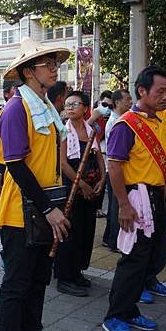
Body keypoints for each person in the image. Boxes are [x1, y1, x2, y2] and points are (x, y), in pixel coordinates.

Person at [0, 38, 70, 331]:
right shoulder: (16, 108)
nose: (54, 69)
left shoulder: (47, 108)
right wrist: (49, 209)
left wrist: (53, 206)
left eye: (56, 63)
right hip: (19, 212)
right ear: (29, 72)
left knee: (39, 281)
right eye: (47, 64)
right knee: (16, 285)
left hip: (44, 206)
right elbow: (15, 165)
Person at [102, 66, 166, 331]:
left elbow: (148, 161)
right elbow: (115, 167)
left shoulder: (158, 121)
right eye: (160, 91)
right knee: (133, 259)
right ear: (142, 91)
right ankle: (114, 316)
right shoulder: (127, 124)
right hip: (136, 199)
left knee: (145, 258)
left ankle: (129, 309)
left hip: (156, 196)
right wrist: (123, 205)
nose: (165, 96)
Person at [55, 91, 105, 297]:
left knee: (86, 230)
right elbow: (63, 163)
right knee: (71, 231)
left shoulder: (91, 130)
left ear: (85, 108)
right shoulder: (63, 131)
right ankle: (64, 277)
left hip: (92, 186)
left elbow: (99, 156)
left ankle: (77, 272)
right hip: (72, 187)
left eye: (74, 104)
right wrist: (81, 184)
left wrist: (103, 178)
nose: (69, 107)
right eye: (67, 104)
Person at [102, 89, 132, 252]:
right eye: (127, 99)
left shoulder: (119, 119)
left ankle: (109, 238)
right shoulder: (115, 123)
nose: (130, 102)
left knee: (114, 205)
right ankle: (114, 241)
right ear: (117, 102)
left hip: (114, 169)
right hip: (113, 170)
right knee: (115, 207)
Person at [88, 90, 113, 219]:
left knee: (106, 184)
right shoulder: (90, 115)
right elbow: (83, 128)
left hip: (107, 156)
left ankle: (102, 208)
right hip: (93, 155)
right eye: (104, 104)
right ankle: (95, 207)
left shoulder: (112, 118)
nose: (107, 108)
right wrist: (93, 118)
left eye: (110, 106)